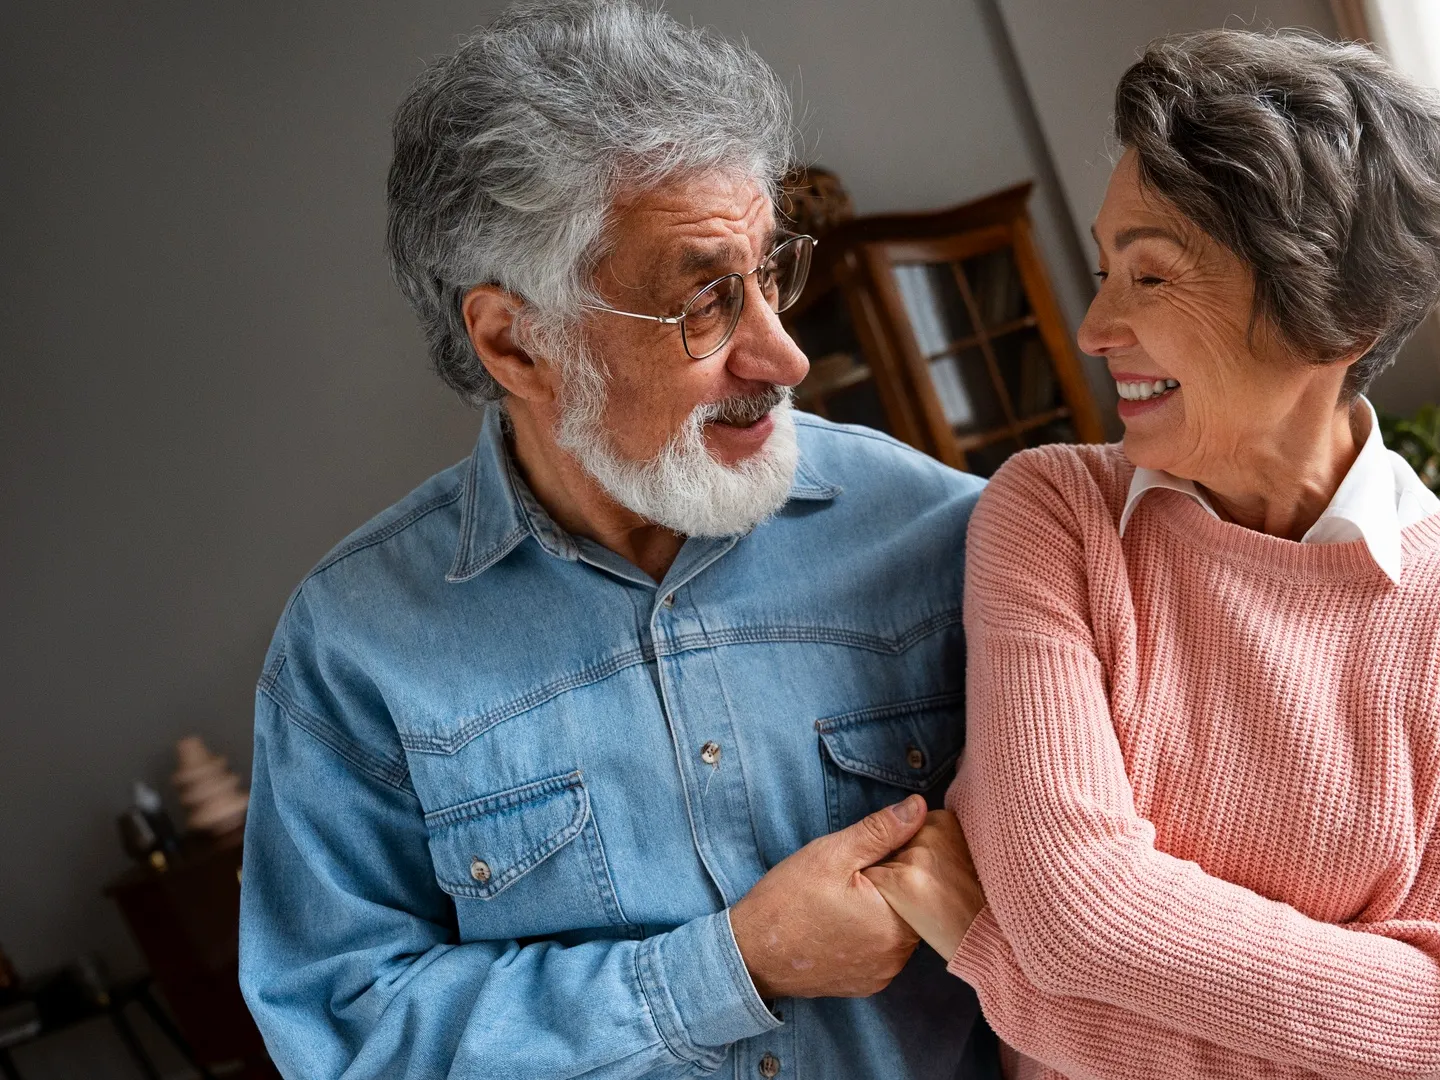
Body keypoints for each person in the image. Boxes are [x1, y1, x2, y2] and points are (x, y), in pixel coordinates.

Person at [864, 29, 1440, 1080]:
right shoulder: (1053, 516)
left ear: (1339, 317)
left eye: (1151, 278)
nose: (1096, 324)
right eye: (1105, 269)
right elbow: (1080, 914)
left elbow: (1400, 1067)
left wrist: (989, 948)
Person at [236, 4, 1000, 1077]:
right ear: (515, 341)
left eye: (771, 272)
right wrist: (731, 966)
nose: (782, 358)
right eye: (704, 301)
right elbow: (346, 1032)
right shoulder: (354, 649)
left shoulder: (948, 536)